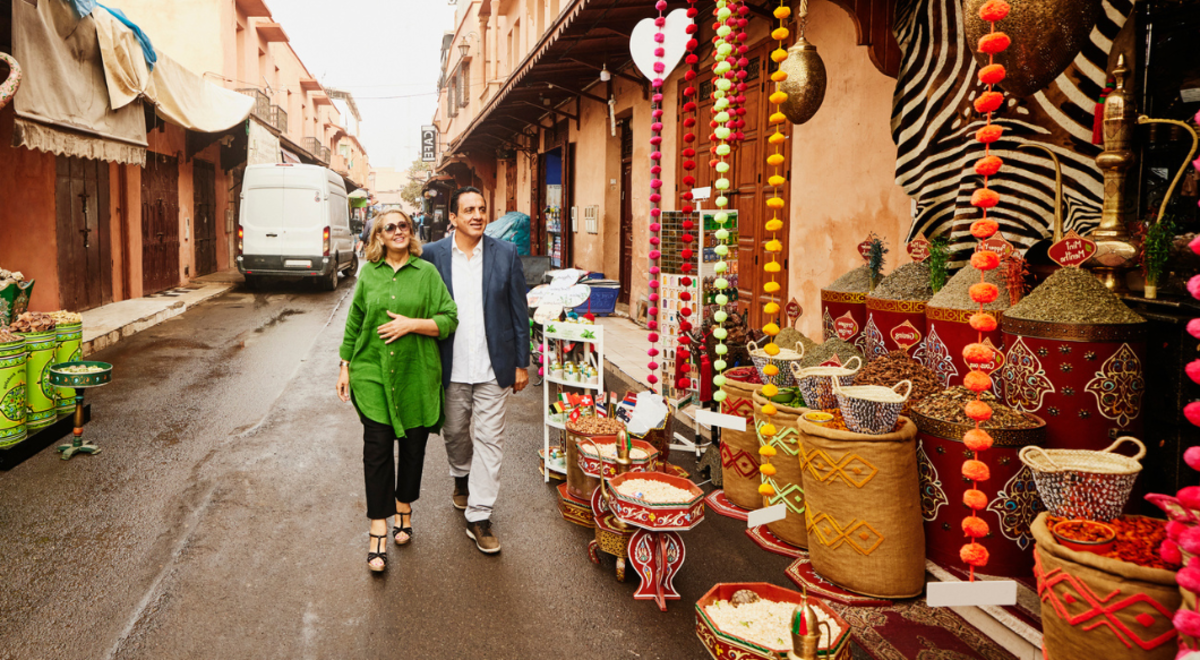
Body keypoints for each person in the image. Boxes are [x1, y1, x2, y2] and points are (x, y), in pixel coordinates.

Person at [337, 209, 458, 572]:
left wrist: (412, 325)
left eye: (403, 225)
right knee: (376, 449)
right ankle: (378, 529)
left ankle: (404, 505)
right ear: (379, 236)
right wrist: (345, 365)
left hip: (415, 375)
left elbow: (449, 318)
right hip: (371, 371)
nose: (397, 231)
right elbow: (355, 319)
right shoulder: (369, 274)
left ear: (411, 231)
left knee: (413, 448)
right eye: (389, 227)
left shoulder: (427, 273)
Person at [421, 187, 529, 554]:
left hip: (492, 367)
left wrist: (520, 363)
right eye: (468, 210)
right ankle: (461, 477)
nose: (477, 215)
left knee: (490, 441)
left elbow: (519, 311)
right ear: (453, 217)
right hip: (450, 366)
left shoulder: (506, 253)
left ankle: (480, 516)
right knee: (453, 433)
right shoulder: (433, 255)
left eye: (482, 209)